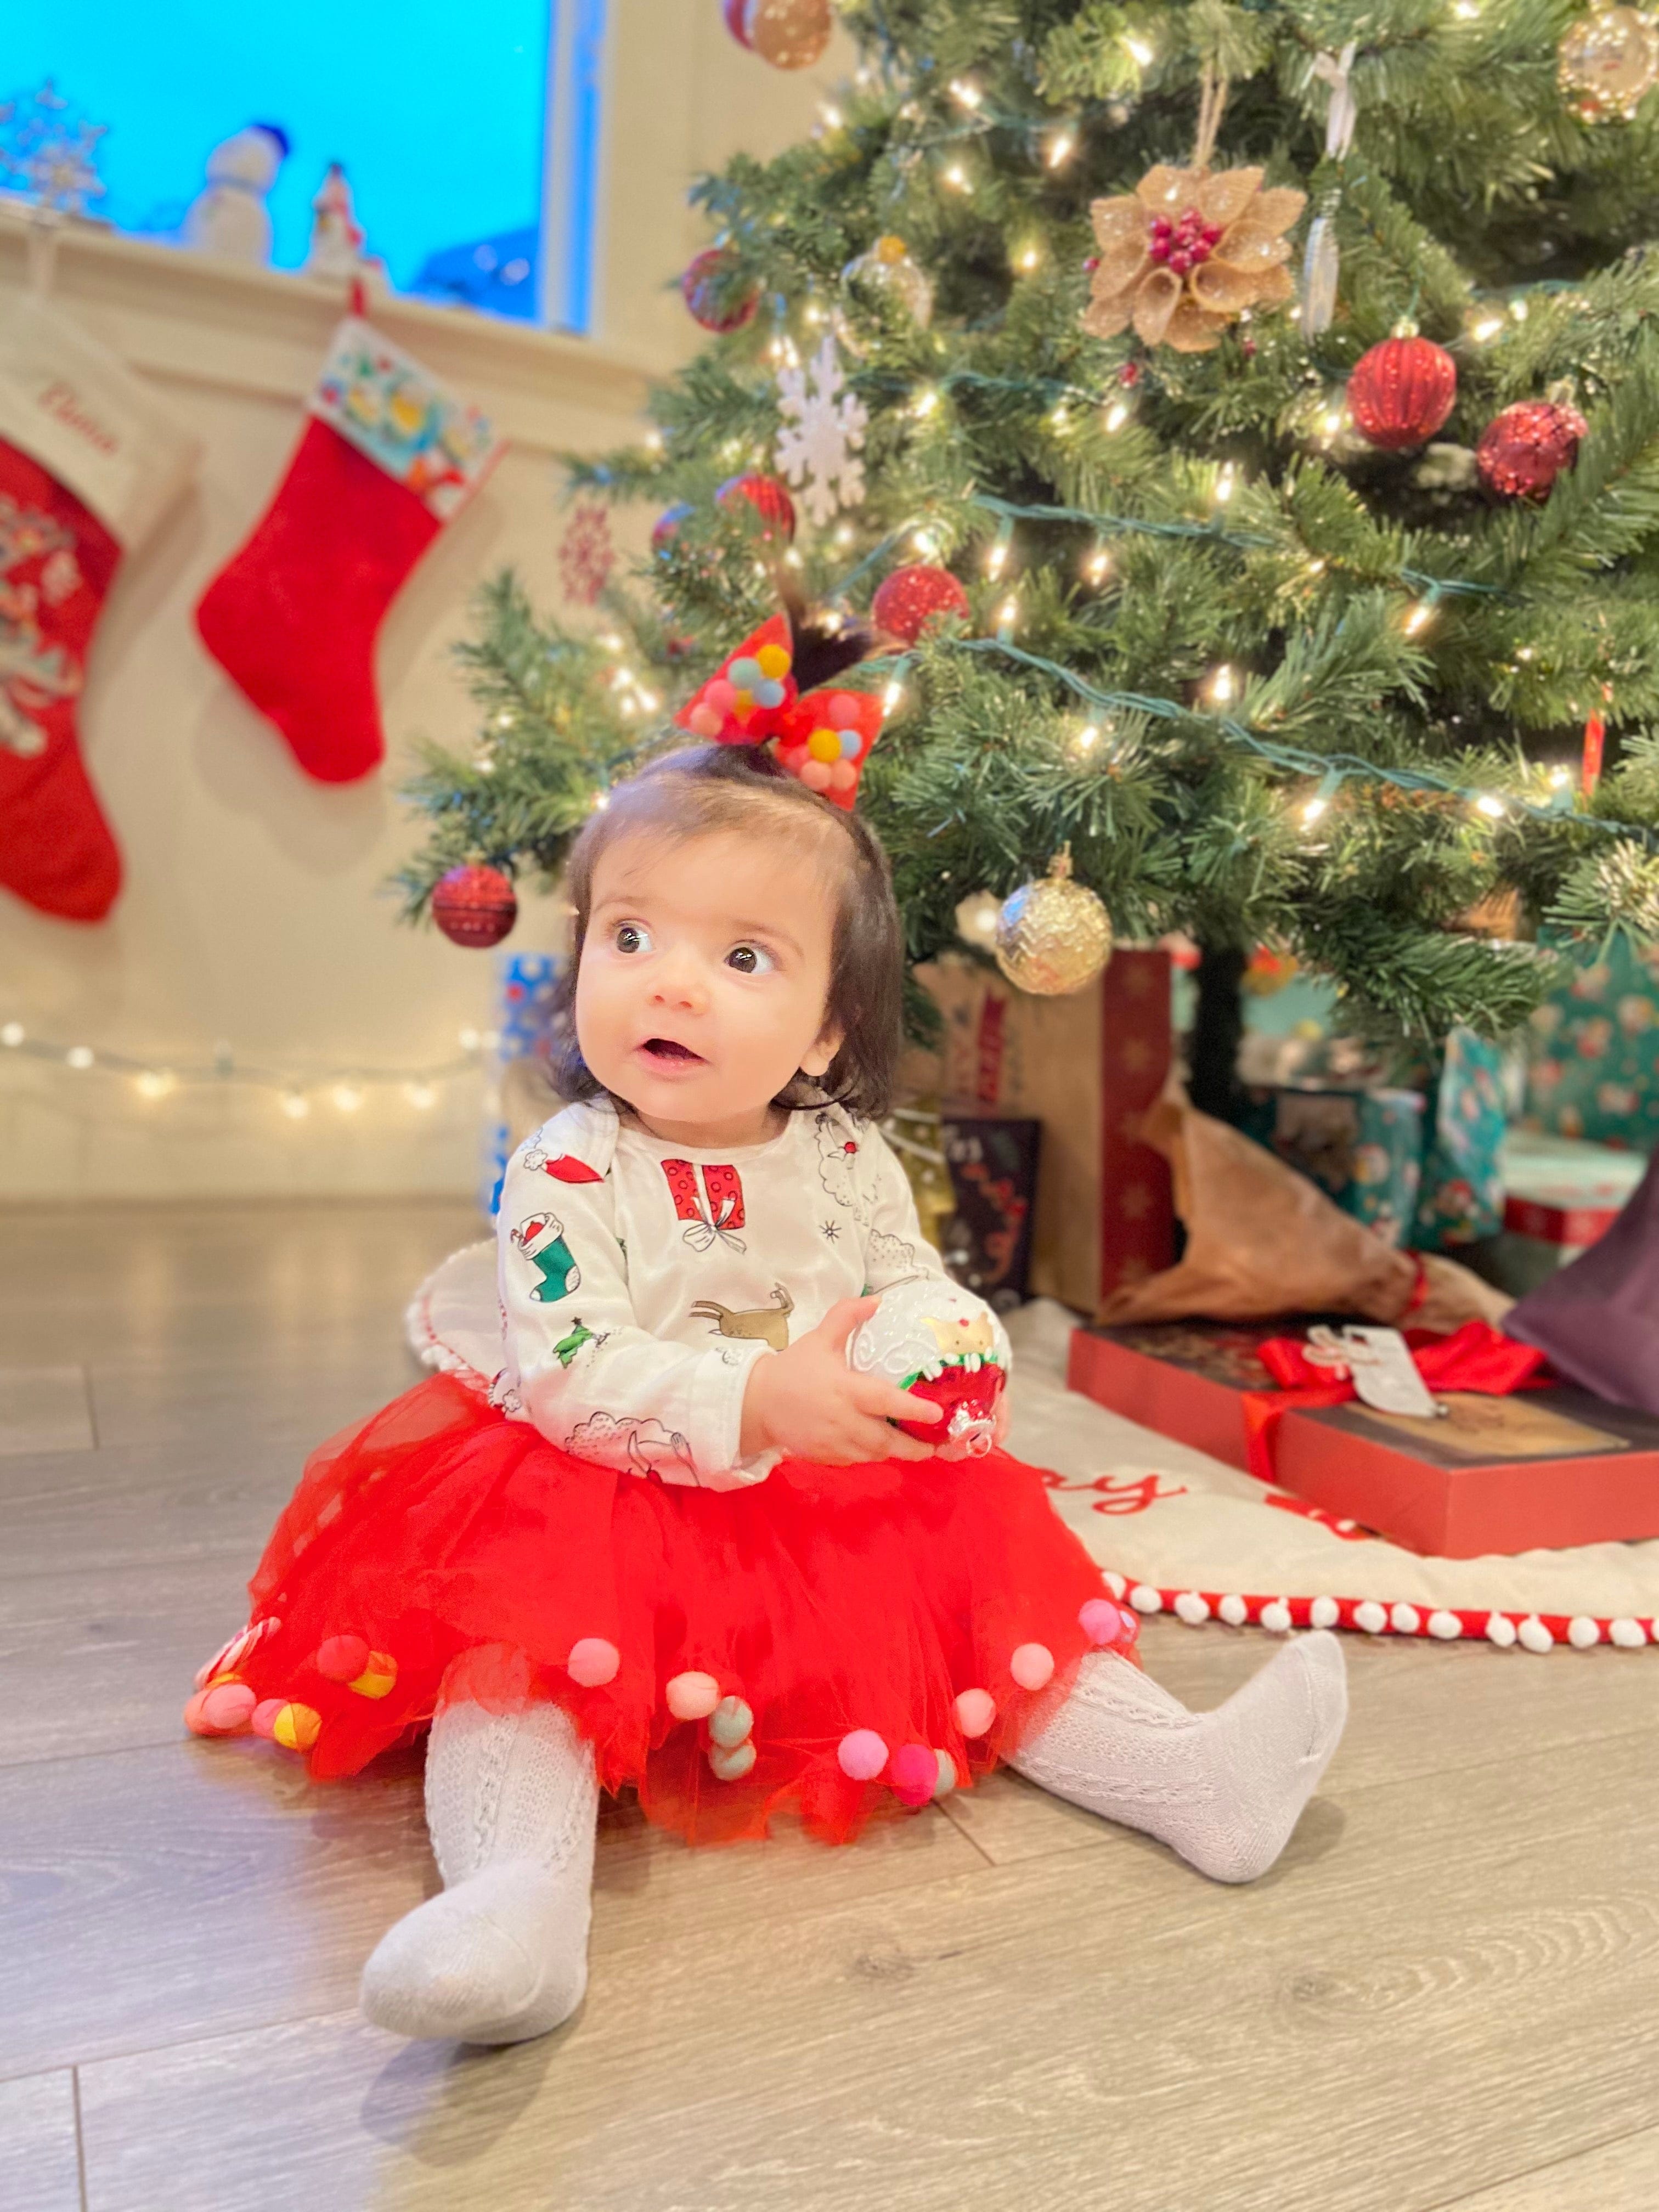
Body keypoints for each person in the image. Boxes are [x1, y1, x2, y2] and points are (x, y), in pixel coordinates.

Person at [185, 743, 1347, 2047]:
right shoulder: (568, 1168)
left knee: (1001, 1614)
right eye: (631, 934)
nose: (671, 979)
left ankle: (1189, 1779)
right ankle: (517, 1902)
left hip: (824, 1508)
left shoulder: (848, 1155)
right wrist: (759, 1399)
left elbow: (908, 1280)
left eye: (744, 958)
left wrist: (948, 1351)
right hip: (612, 1496)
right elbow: (572, 1373)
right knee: (513, 1667)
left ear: (829, 1028)